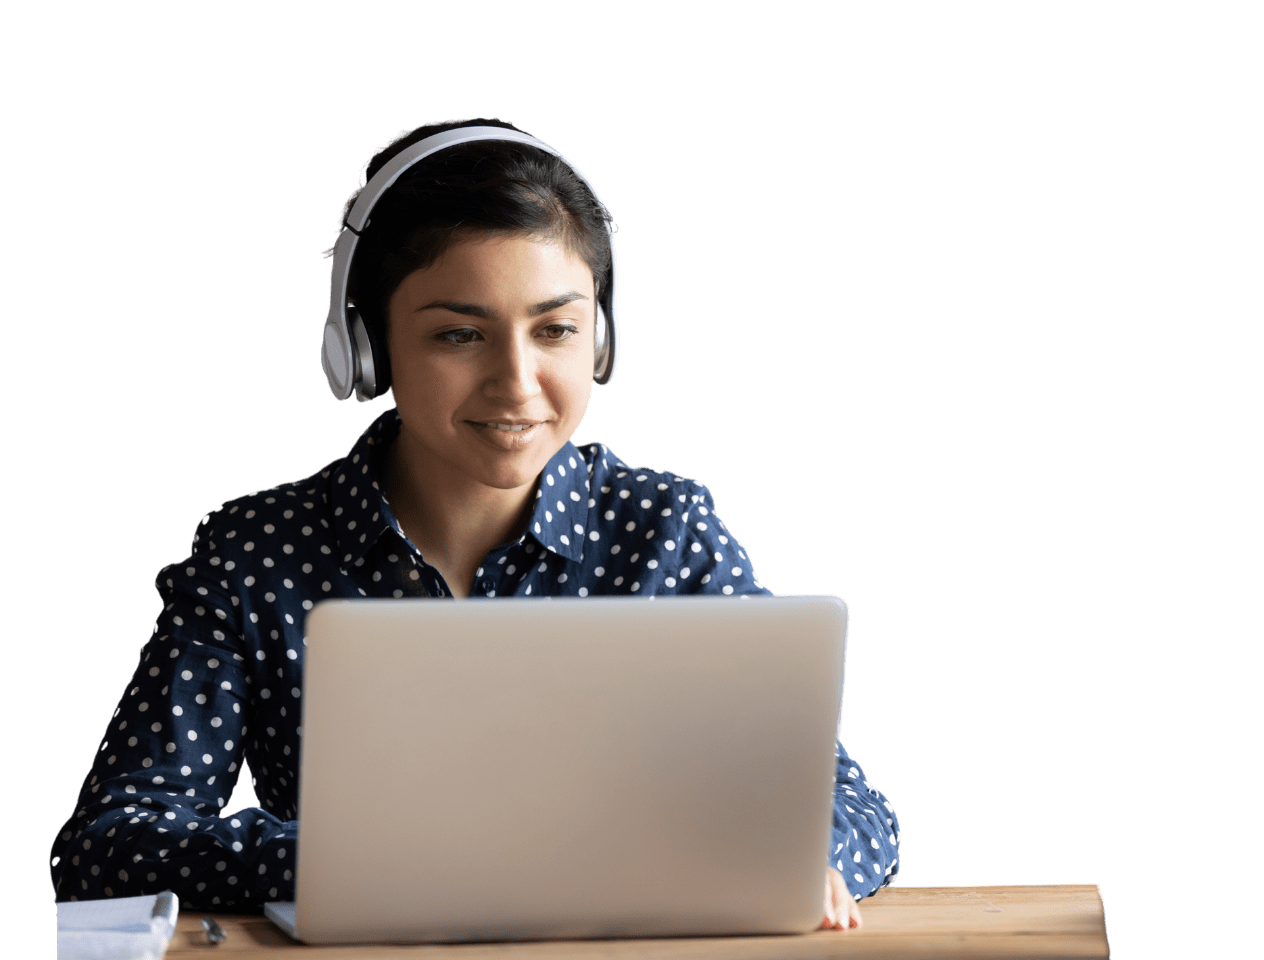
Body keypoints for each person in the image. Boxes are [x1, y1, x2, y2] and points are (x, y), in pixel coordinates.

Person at [49, 118, 900, 932]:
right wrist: (354, 861)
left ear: (601, 341)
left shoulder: (665, 531)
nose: (518, 382)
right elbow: (108, 844)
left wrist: (795, 856)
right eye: (461, 333)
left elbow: (854, 808)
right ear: (365, 347)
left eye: (557, 329)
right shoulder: (255, 554)